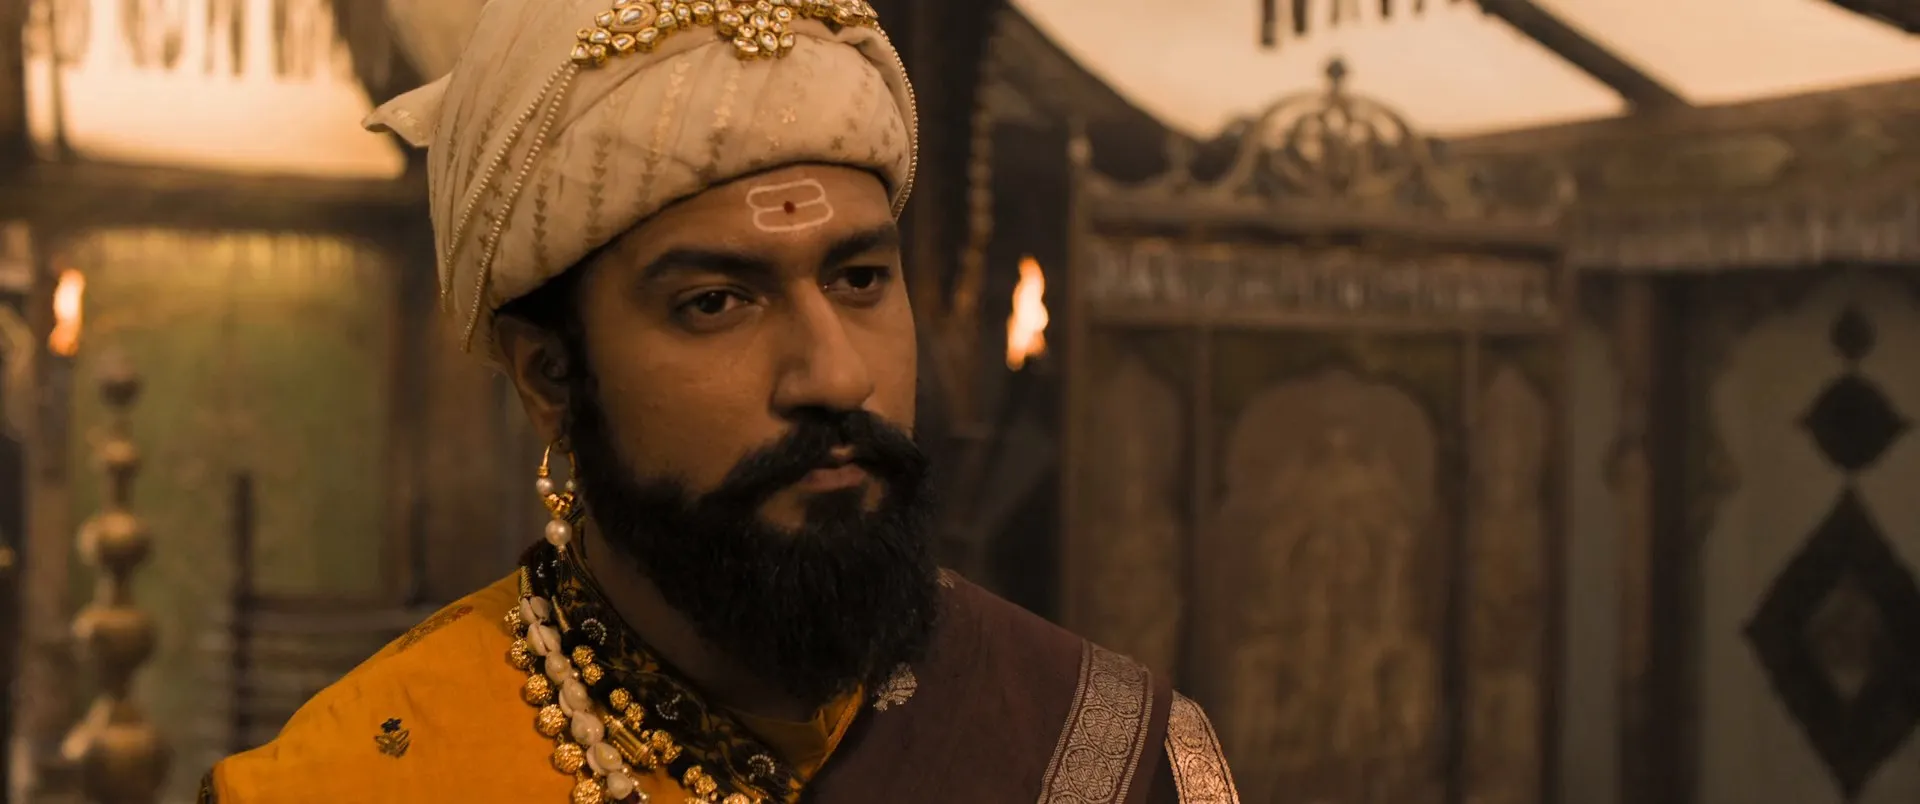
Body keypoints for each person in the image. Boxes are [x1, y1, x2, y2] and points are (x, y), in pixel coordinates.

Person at [199, 0, 1239, 801]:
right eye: (715, 302)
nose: (836, 376)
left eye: (859, 279)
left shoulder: (1098, 748)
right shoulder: (360, 778)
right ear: (551, 378)